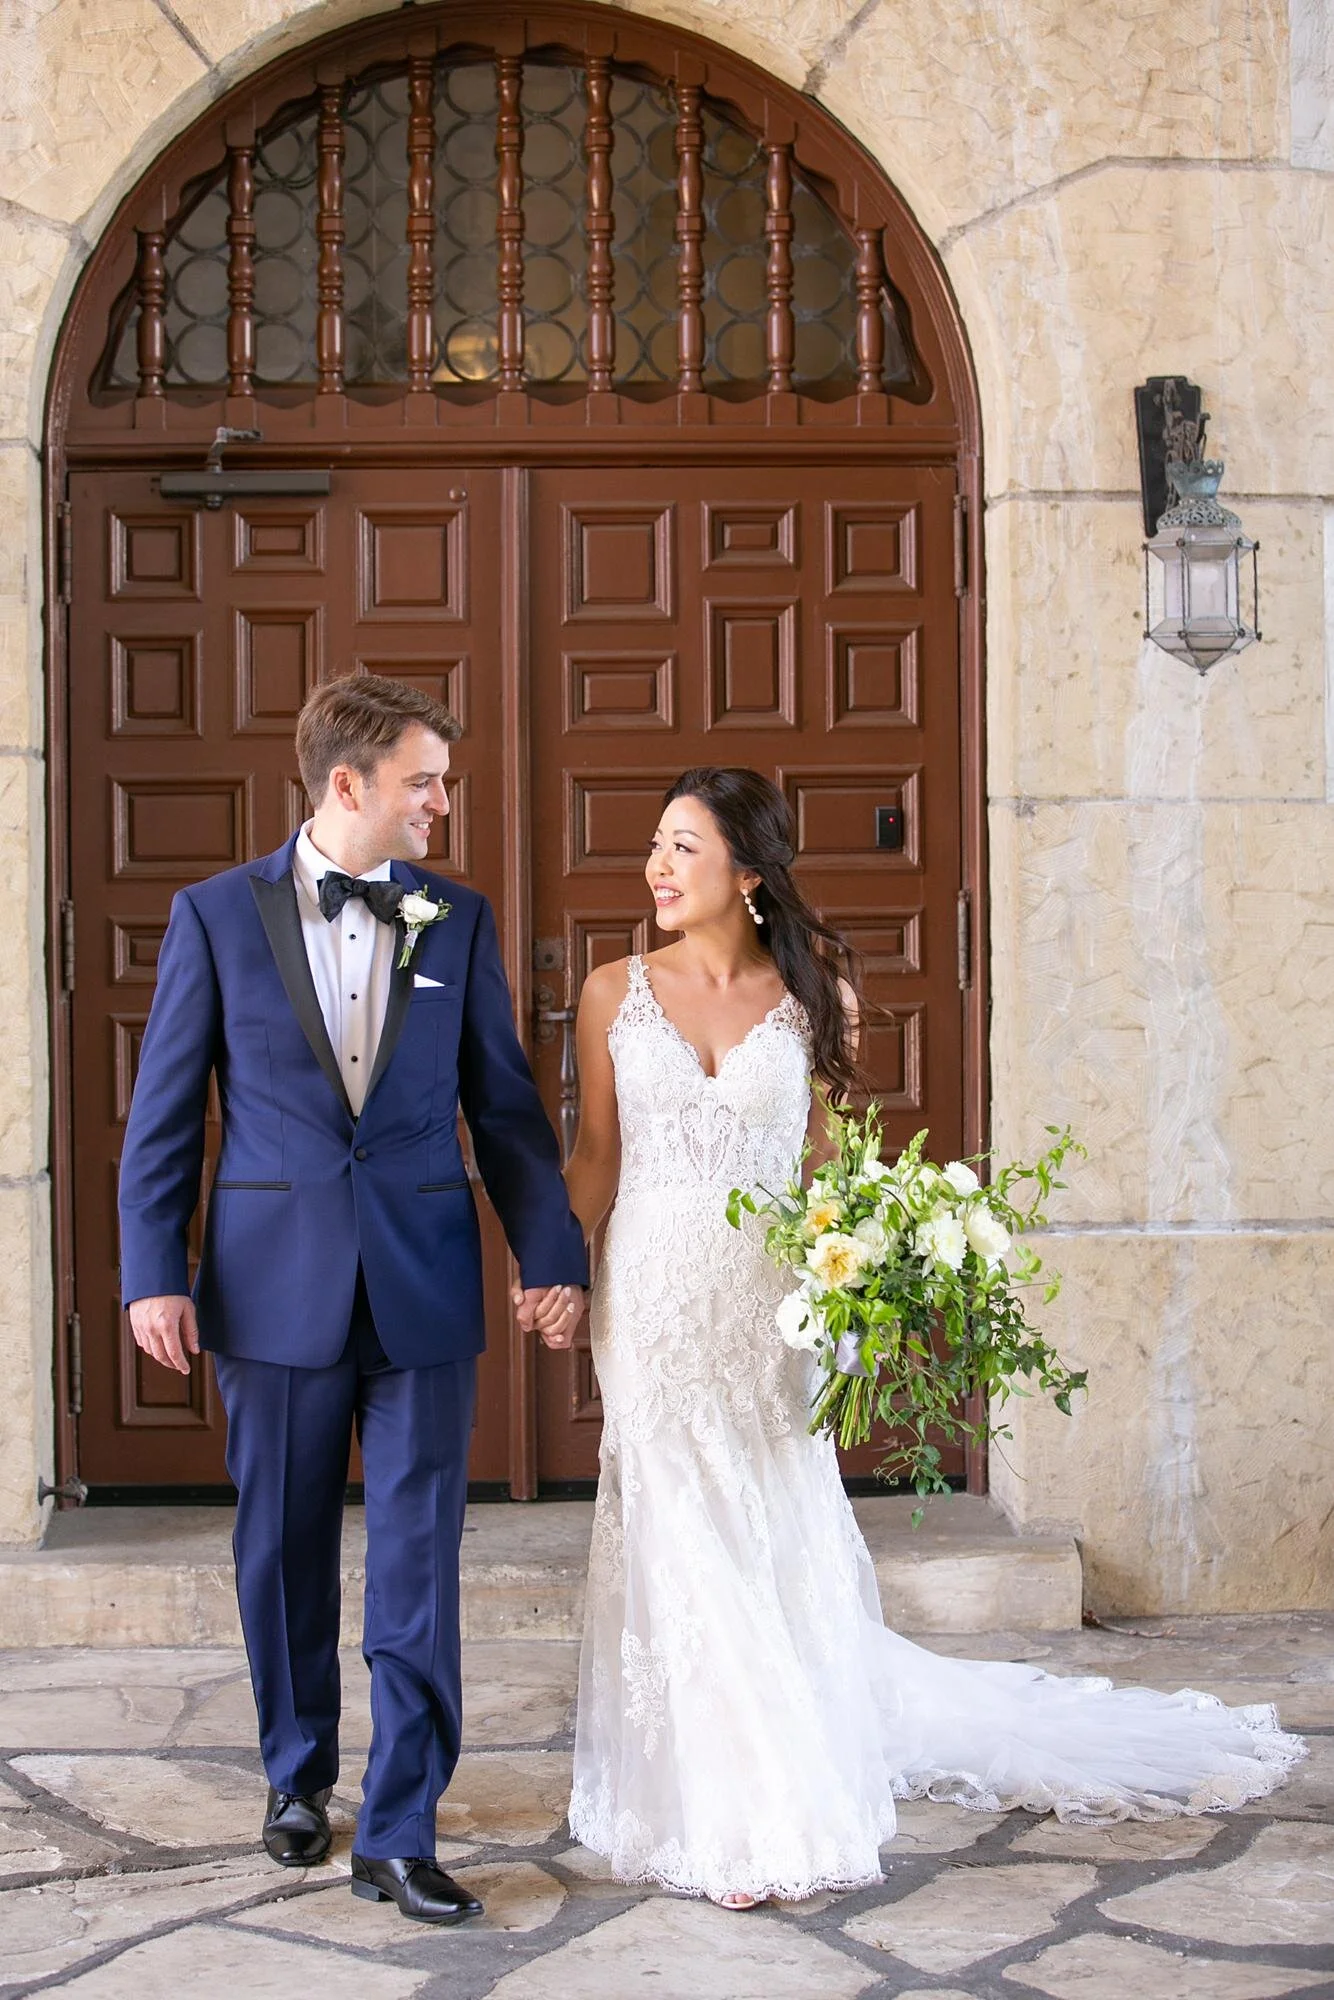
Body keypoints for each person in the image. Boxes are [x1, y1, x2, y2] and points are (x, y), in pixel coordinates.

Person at [556, 764, 1304, 1910]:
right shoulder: (614, 991)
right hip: (651, 1294)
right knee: (674, 1519)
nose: (656, 868)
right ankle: (736, 1801)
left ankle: (772, 1770)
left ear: (747, 873)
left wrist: (864, 1277)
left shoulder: (817, 992)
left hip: (768, 1299)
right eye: (654, 846)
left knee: (765, 1518)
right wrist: (558, 1269)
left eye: (682, 848)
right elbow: (599, 1155)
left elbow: (830, 1169)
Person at [118, 674, 587, 1926]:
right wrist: (152, 1270)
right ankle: (295, 1775)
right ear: (349, 784)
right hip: (271, 1285)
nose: (442, 799)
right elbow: (165, 1110)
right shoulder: (215, 914)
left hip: (423, 1281)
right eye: (424, 779)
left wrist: (550, 1249)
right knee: (279, 1551)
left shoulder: (459, 916)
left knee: (421, 1558)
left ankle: (399, 1825)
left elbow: (505, 1108)